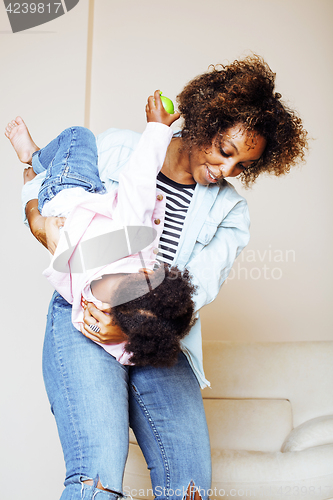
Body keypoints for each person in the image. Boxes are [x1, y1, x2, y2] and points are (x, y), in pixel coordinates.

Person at [6, 55, 307, 500]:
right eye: (226, 151)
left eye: (243, 165)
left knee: (189, 487)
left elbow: (193, 291)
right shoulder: (117, 150)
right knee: (98, 476)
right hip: (84, 318)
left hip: (160, 336)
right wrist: (36, 216)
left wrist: (130, 324)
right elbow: (57, 196)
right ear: (205, 122)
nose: (228, 171)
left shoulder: (231, 214)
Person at [6, 93, 196, 368]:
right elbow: (127, 352)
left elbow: (139, 181)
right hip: (64, 210)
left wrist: (158, 128)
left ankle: (34, 157)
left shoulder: (132, 244)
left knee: (78, 135)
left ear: (148, 272)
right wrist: (137, 343)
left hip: (69, 193)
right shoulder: (91, 309)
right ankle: (37, 172)